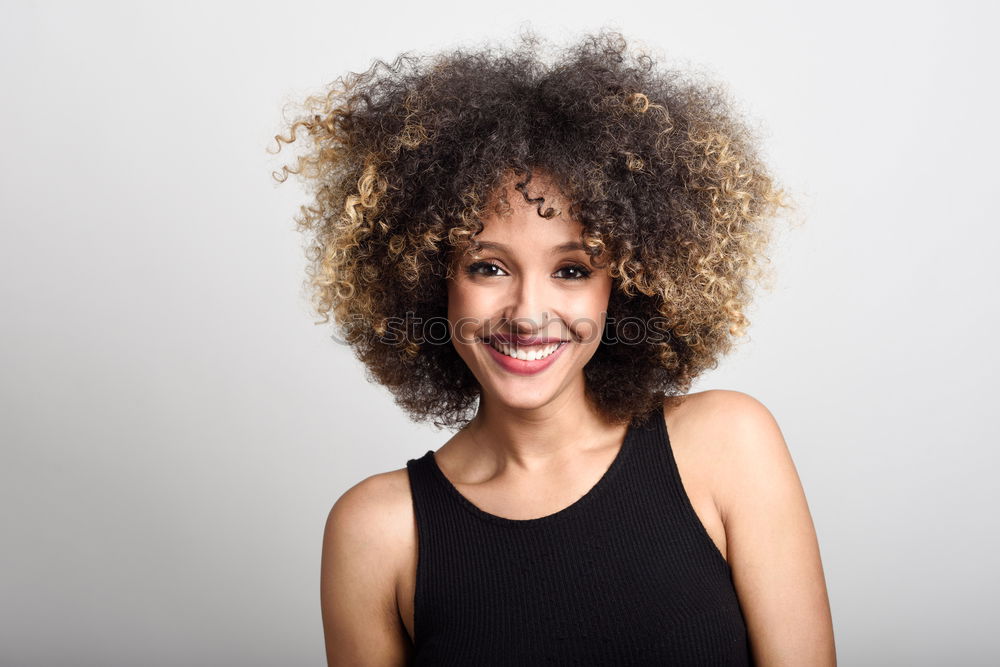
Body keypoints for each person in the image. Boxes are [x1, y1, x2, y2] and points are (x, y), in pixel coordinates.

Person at [273, 28, 836, 666]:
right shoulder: (378, 532)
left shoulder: (727, 445)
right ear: (430, 281)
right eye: (487, 267)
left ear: (623, 288)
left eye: (572, 269)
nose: (528, 313)